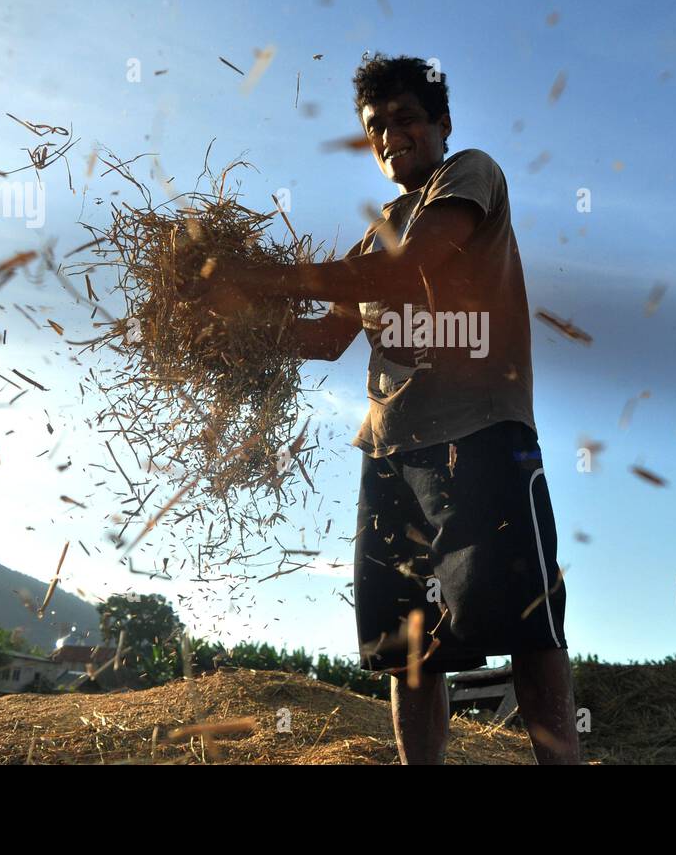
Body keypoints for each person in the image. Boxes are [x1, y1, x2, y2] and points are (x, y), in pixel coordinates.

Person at [203, 53, 579, 764]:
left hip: (482, 439)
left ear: (441, 124)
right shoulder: (375, 232)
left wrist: (257, 277)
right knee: (410, 647)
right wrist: (225, 325)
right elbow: (322, 338)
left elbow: (407, 271)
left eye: (405, 118)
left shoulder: (470, 173)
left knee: (526, 627)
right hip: (387, 456)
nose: (389, 134)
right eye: (375, 125)